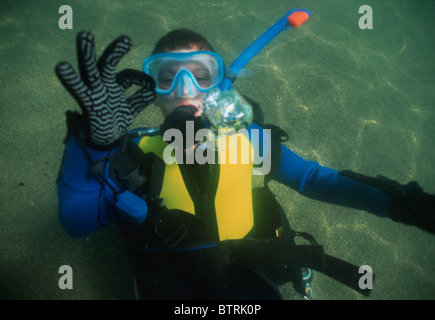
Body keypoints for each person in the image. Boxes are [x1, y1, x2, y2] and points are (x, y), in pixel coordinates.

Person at [55, 29, 435, 300]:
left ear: (218, 86)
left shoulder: (247, 139)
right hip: (170, 283)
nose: (185, 88)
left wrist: (401, 203)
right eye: (169, 77)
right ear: (153, 93)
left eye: (200, 75)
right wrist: (91, 145)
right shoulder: (125, 151)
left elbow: (313, 179)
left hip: (253, 275)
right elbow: (77, 222)